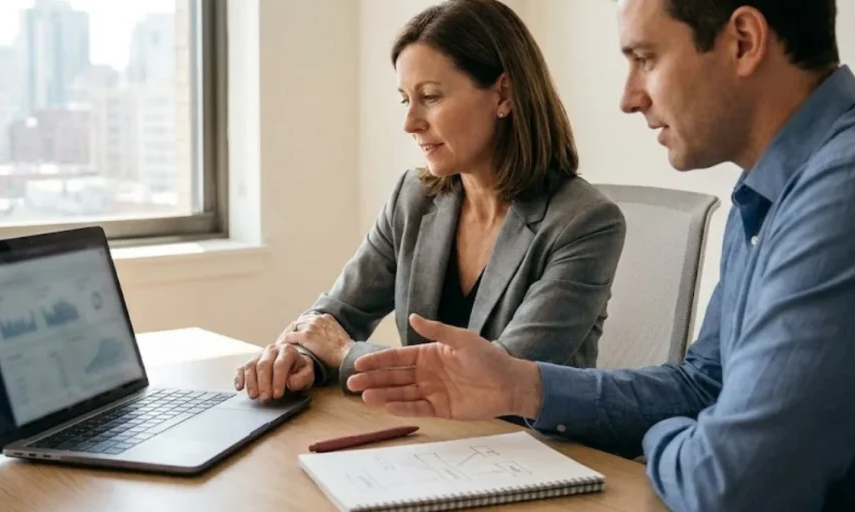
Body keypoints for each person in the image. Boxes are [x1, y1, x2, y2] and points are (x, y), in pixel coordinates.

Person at [346, 0, 855, 510]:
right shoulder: (767, 194)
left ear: (744, 41)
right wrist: (522, 385)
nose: (629, 97)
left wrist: (676, 436)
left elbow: (735, 484)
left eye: (646, 58)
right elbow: (702, 386)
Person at [234, 0, 627, 401]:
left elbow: (499, 380)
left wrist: (344, 353)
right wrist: (299, 355)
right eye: (406, 99)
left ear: (503, 95)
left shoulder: (585, 222)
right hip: (430, 442)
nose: (410, 123)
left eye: (432, 97)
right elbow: (339, 312)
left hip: (530, 451)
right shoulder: (414, 197)